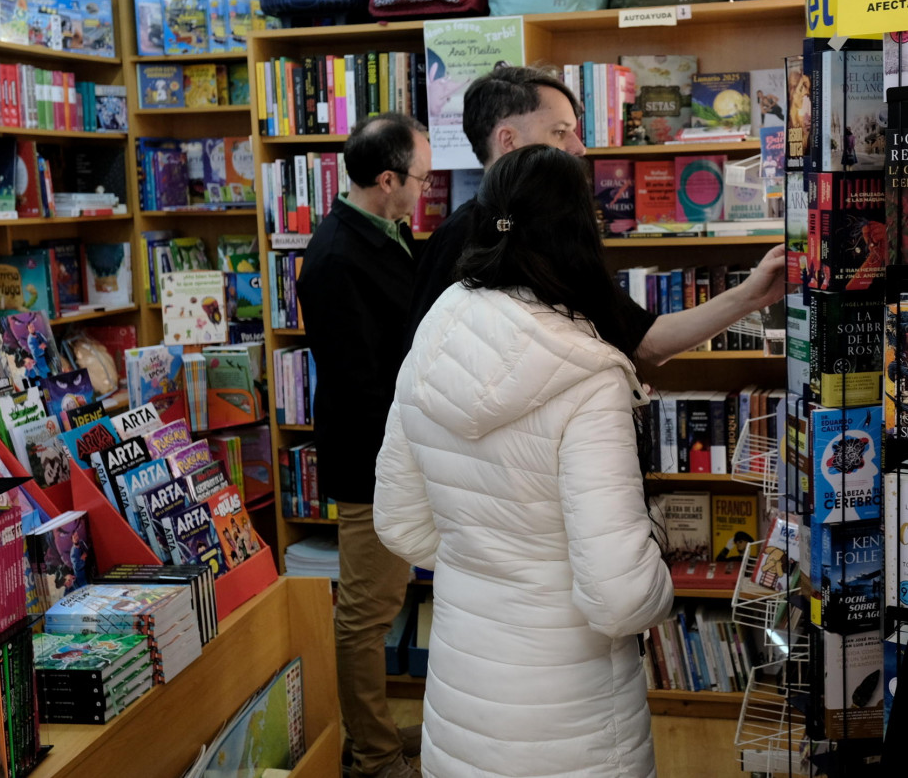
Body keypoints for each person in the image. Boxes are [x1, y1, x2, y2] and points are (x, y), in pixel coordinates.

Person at [373, 145, 675, 778]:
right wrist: (659, 572)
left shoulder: (435, 333)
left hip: (462, 687)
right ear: (579, 232)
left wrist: (481, 551)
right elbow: (621, 596)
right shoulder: (588, 373)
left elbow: (400, 525)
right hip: (573, 714)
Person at [407, 64, 786, 361]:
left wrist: (752, 296)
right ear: (508, 140)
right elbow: (428, 361)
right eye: (560, 132)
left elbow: (645, 340)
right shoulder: (456, 238)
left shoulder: (561, 232)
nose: (579, 148)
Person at [296, 113, 432, 778]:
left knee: (383, 598)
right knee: (365, 612)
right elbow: (360, 383)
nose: (424, 191)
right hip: (376, 461)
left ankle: (375, 732)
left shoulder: (383, 231)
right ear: (387, 179)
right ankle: (372, 753)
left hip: (403, 455)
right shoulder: (334, 257)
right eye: (420, 179)